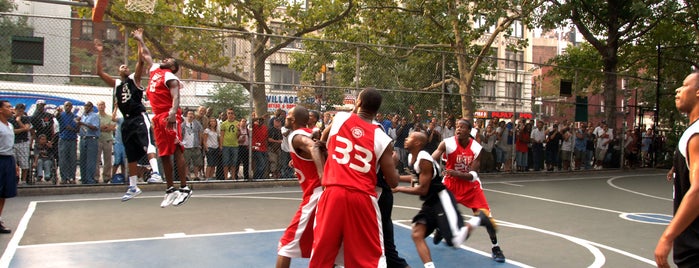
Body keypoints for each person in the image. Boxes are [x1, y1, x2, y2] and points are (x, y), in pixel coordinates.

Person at [309, 88, 401, 267]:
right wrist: (394, 163)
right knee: (368, 258)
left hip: (333, 193)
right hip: (362, 198)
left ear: (358, 102)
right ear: (377, 110)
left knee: (323, 253)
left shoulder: (340, 119)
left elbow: (322, 140)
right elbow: (393, 181)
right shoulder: (382, 138)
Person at [394, 131, 496, 268]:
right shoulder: (412, 156)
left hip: (442, 200)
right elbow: (416, 178)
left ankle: (480, 218)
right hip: (430, 202)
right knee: (417, 234)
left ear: (417, 143)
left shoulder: (424, 158)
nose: (406, 139)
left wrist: (398, 188)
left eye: (409, 137)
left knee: (455, 241)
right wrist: (398, 178)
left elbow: (422, 189)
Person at [96, 32, 164, 202]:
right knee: (131, 154)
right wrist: (99, 52)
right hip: (126, 121)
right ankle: (133, 186)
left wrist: (140, 40)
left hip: (138, 116)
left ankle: (155, 172)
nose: (124, 67)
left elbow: (141, 60)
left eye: (126, 66)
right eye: (121, 67)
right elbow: (99, 72)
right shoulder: (117, 84)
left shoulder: (135, 79)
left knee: (147, 144)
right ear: (119, 72)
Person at [431, 119, 507, 263]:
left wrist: (456, 173)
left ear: (469, 131)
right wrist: (424, 163)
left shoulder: (477, 148)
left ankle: (495, 247)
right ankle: (441, 229)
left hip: (470, 186)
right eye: (457, 127)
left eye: (462, 127)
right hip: (451, 184)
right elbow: (432, 158)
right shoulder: (447, 143)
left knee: (487, 217)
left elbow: (472, 175)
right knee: (438, 209)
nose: (458, 129)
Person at [139, 29, 192, 207]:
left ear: (173, 67)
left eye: (169, 60)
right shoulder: (155, 70)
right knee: (163, 154)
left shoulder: (170, 76)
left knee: (176, 150)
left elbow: (176, 96)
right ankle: (170, 189)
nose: (165, 59)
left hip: (170, 115)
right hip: (157, 118)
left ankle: (184, 188)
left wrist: (172, 112)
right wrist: (140, 39)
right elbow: (145, 54)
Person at [655, 72, 699, 268]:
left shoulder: (696, 134)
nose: (677, 90)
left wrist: (667, 236)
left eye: (684, 85)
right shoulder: (692, 132)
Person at [276, 106, 322, 268]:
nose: (285, 118)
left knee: (286, 244)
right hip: (323, 193)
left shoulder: (296, 135)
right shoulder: (311, 132)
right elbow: (316, 144)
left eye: (288, 116)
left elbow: (314, 148)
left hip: (316, 194)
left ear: (293, 120)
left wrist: (322, 174)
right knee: (328, 244)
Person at [0, 100, 17, 233]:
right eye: (8, 107)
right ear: (1, 110)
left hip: (8, 159)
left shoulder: (10, 125)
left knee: (4, 193)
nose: (11, 109)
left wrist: (15, 163)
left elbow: (11, 146)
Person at [55, 102, 79, 184]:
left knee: (72, 159)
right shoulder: (61, 115)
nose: (68, 107)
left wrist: (71, 129)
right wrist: (57, 111)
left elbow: (77, 129)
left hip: (72, 139)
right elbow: (56, 116)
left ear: (72, 107)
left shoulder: (75, 117)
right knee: (63, 159)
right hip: (63, 139)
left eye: (69, 106)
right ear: (64, 107)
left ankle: (72, 177)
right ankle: (64, 178)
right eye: (66, 106)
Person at [77, 102, 100, 185]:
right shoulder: (83, 116)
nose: (86, 107)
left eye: (87, 106)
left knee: (91, 160)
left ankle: (90, 179)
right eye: (85, 106)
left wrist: (83, 124)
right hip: (83, 138)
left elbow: (95, 127)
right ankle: (83, 178)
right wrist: (78, 123)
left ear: (91, 107)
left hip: (91, 138)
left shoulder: (95, 116)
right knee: (82, 160)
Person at [9, 103, 31, 185]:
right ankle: (14, 179)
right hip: (13, 142)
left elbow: (27, 128)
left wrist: (19, 121)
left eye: (22, 111)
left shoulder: (25, 118)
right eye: (19, 111)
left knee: (24, 163)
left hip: (23, 142)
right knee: (13, 163)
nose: (20, 113)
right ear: (15, 110)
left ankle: (23, 180)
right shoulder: (10, 119)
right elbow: (12, 131)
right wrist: (23, 128)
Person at [95, 101, 115, 183]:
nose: (101, 106)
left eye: (102, 105)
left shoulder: (109, 117)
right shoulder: (95, 117)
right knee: (96, 160)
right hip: (98, 140)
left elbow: (112, 127)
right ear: (97, 106)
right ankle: (96, 177)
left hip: (107, 140)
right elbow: (95, 127)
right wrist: (102, 128)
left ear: (105, 106)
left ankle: (106, 177)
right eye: (99, 105)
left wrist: (101, 128)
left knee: (108, 160)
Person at [182, 110, 204, 181]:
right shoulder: (183, 124)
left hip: (195, 145)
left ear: (194, 116)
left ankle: (196, 175)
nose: (190, 115)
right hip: (186, 146)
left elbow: (200, 132)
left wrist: (200, 143)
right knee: (186, 162)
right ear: (187, 115)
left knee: (196, 162)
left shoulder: (197, 124)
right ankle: (186, 175)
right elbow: (181, 133)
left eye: (192, 114)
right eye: (189, 114)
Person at [219, 108, 240, 180]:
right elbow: (222, 135)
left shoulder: (237, 123)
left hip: (235, 145)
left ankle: (233, 176)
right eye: (229, 113)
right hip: (226, 145)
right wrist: (221, 145)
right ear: (227, 114)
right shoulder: (224, 124)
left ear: (234, 115)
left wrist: (239, 129)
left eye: (232, 113)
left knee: (234, 162)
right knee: (226, 162)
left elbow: (238, 135)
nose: (230, 115)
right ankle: (226, 177)